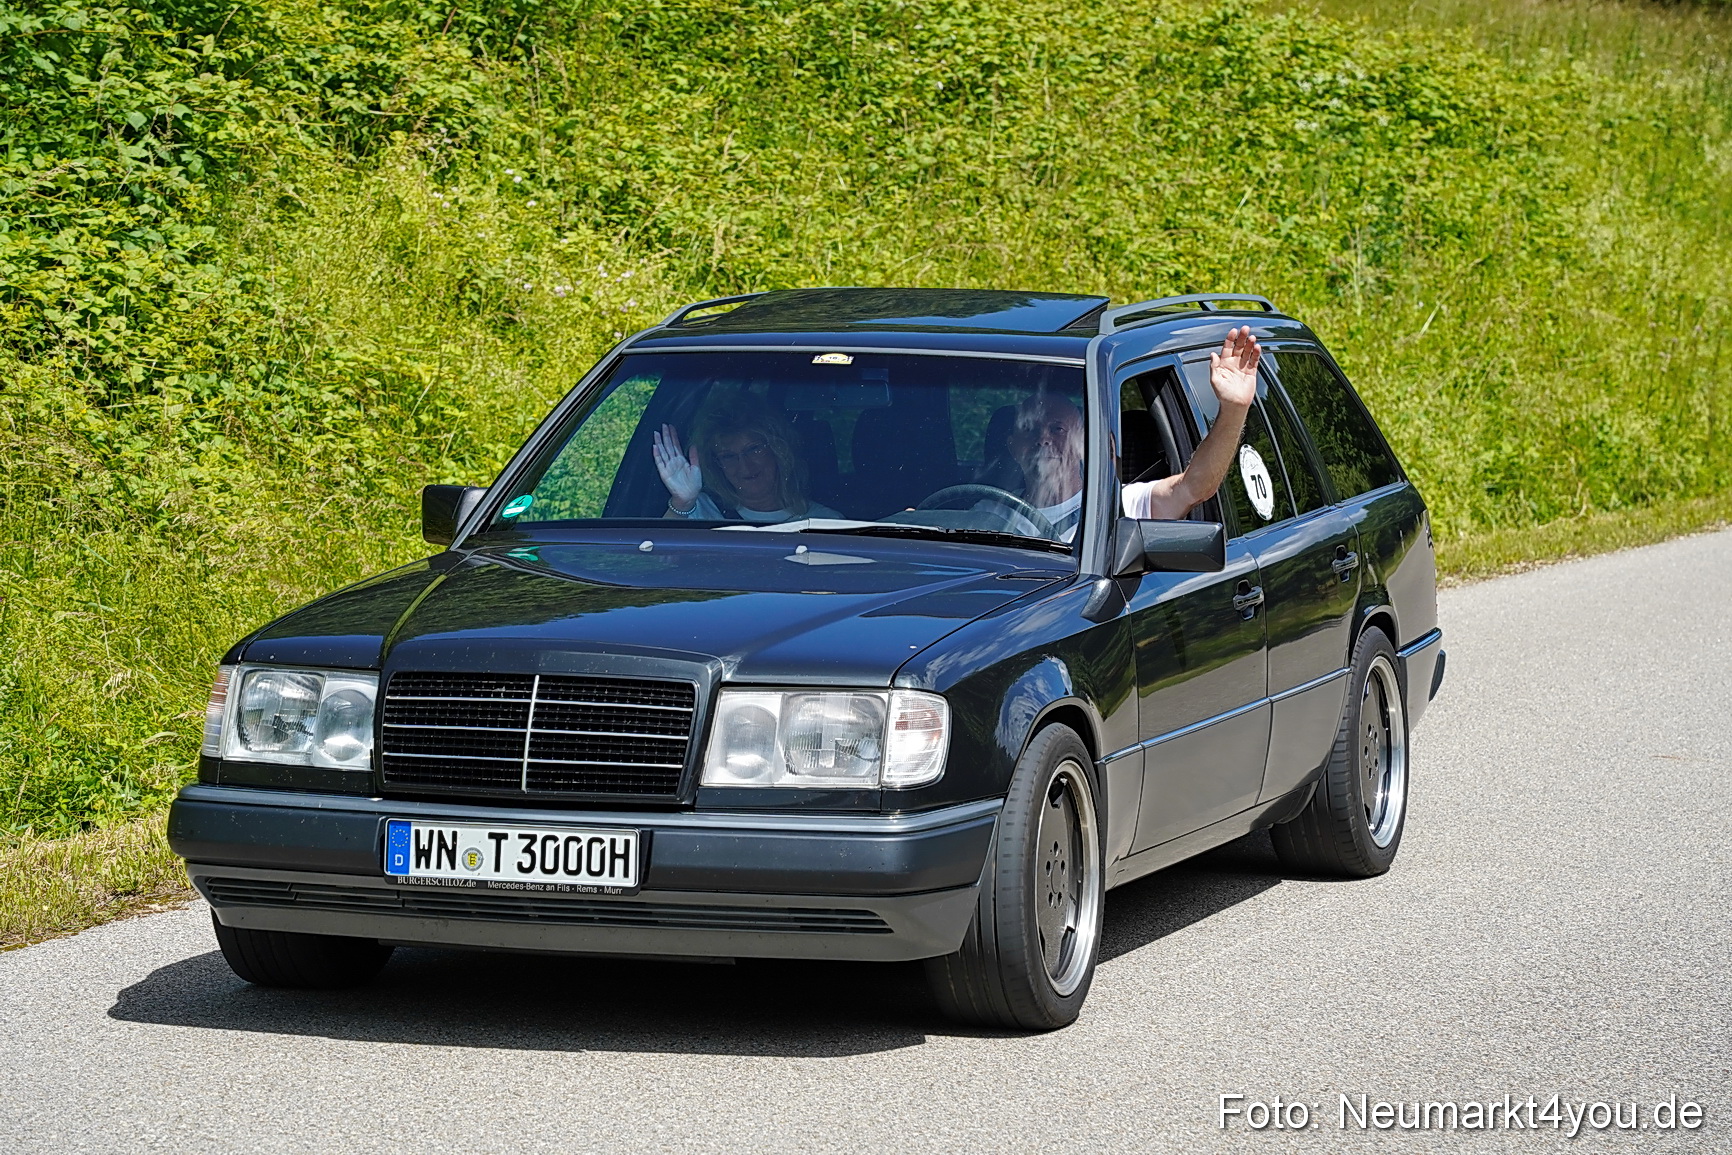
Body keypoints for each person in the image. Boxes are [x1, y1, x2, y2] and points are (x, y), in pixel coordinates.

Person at [995, 326, 1263, 540]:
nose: (1043, 439)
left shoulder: (1122, 505)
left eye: (1058, 429)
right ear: (1012, 446)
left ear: (1084, 445)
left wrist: (1233, 410)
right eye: (1029, 429)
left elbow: (1195, 487)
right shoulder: (989, 512)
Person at [653, 398, 842, 523]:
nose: (744, 466)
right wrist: (681, 503)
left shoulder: (825, 521)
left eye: (754, 449)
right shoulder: (697, 510)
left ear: (778, 450)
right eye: (728, 456)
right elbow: (657, 562)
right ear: (716, 465)